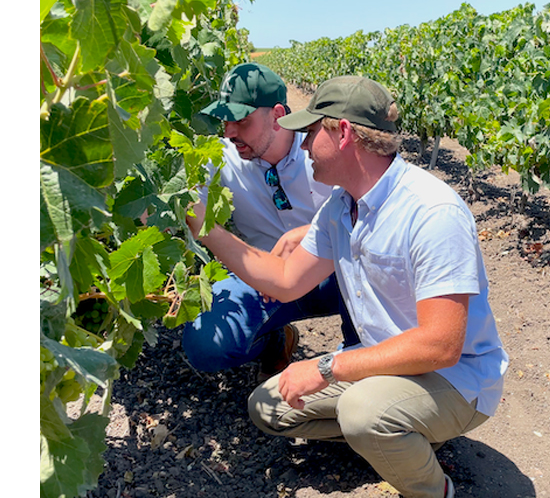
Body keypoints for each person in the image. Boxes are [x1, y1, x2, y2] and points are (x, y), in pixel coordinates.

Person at [185, 76, 508, 498]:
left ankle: (435, 490)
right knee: (267, 407)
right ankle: (395, 434)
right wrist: (203, 226)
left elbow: (440, 346)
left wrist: (325, 368)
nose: (301, 146)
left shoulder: (432, 212)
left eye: (310, 133)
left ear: (344, 134)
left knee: (363, 412)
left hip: (456, 378)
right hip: (384, 362)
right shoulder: (340, 206)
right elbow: (285, 282)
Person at [184, 63, 358, 383]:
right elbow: (183, 198)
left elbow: (371, 212)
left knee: (376, 274)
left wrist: (309, 234)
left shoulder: (322, 151)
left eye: (242, 121)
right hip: (266, 281)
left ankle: (357, 358)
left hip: (339, 276)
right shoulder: (220, 156)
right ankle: (276, 341)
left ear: (277, 115)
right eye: (225, 121)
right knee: (204, 344)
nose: (228, 132)